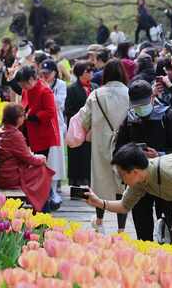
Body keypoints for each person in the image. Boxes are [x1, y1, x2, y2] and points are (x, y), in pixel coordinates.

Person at [115, 80, 172, 241]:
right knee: (142, 226)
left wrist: (160, 155)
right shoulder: (129, 120)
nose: (140, 108)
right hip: (138, 180)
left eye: (144, 104)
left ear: (153, 97)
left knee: (169, 224)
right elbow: (118, 151)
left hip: (165, 177)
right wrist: (134, 155)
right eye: (137, 105)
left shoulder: (169, 116)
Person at [71, 59, 130, 233]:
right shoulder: (129, 93)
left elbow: (85, 119)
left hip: (101, 145)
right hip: (123, 144)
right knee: (122, 184)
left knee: (100, 183)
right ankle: (121, 228)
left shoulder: (96, 95)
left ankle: (99, 221)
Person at [0, 103, 53, 212]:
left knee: (41, 170)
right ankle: (41, 210)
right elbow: (30, 160)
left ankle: (42, 205)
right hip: (9, 178)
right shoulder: (15, 134)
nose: (24, 117)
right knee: (43, 170)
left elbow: (21, 155)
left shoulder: (1, 130)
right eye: (23, 115)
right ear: (17, 119)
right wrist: (41, 158)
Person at [16, 65, 61, 210]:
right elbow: (24, 104)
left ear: (31, 79)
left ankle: (46, 197)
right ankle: (38, 194)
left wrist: (34, 116)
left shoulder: (45, 90)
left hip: (41, 133)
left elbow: (50, 112)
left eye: (24, 84)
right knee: (31, 163)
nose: (23, 87)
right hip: (28, 129)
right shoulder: (27, 89)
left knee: (41, 166)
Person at [40, 59, 66, 199]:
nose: (45, 76)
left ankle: (54, 189)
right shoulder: (39, 84)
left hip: (57, 124)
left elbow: (59, 103)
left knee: (56, 158)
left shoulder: (60, 85)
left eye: (48, 73)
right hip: (42, 125)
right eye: (43, 73)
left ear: (55, 73)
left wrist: (47, 91)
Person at [65, 61, 92, 191]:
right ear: (81, 73)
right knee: (76, 156)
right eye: (88, 71)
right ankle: (75, 187)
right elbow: (68, 109)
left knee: (89, 157)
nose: (91, 73)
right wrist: (82, 119)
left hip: (92, 129)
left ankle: (90, 186)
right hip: (77, 128)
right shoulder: (71, 89)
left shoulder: (95, 87)